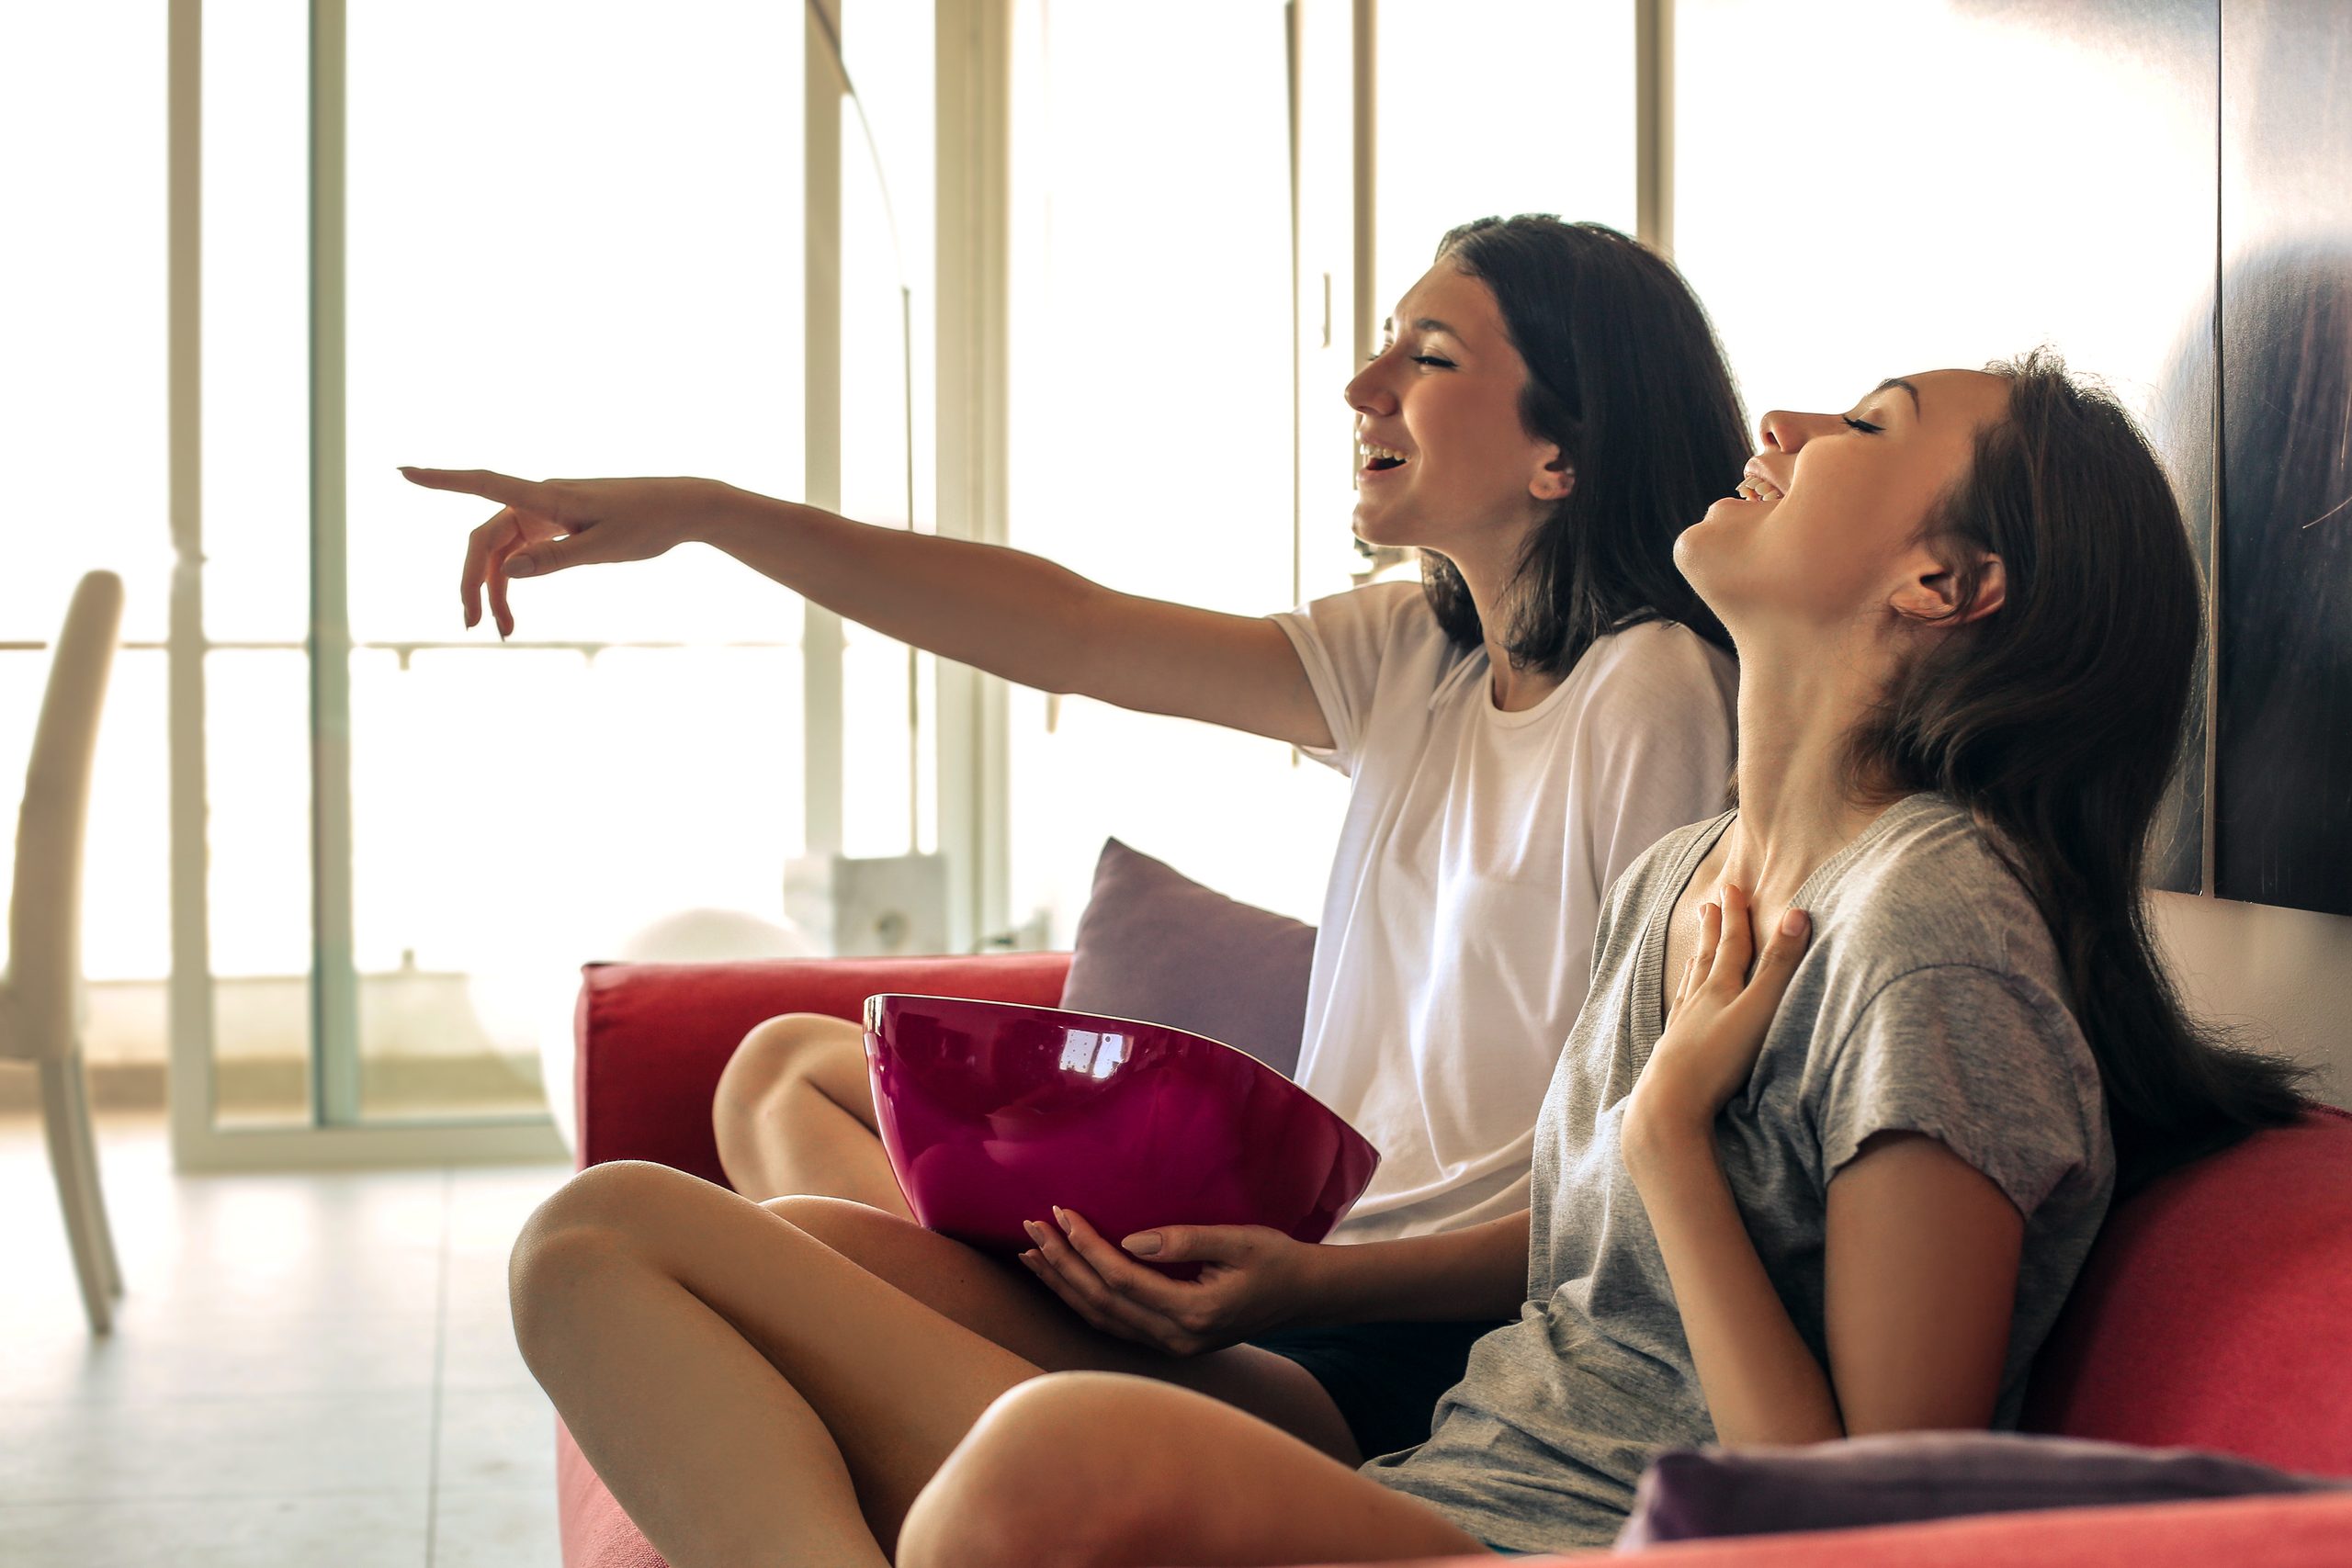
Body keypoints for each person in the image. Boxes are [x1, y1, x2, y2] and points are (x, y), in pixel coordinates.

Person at [503, 355, 2307, 1566]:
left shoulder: (1931, 925)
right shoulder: (1697, 870)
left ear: (1945, 581)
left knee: (1037, 1463)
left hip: (1566, 1539)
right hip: (1435, 1473)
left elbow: (1856, 1528)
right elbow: (1573, 1232)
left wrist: (1673, 1137)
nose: (1782, 415)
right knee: (610, 1238)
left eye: (1863, 422)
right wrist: (1297, 1281)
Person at [412, 216, 1751, 1465]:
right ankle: (988, 1427)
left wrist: (1299, 1286)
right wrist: (711, 516)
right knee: (785, 1073)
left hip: (1402, 1345)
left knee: (693, 1250)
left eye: (1430, 354)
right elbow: (1069, 629)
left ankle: (989, 1437)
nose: (1365, 383)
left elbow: (1632, 1175)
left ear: (1560, 454)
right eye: (1387, 340)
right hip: (1279, 1277)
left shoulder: (1653, 688)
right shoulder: (1419, 654)